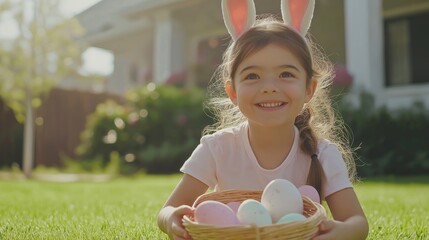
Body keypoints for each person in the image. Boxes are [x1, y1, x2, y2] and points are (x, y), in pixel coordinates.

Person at [157, 0, 368, 239]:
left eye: (286, 74)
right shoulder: (216, 148)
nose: (269, 87)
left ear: (309, 89)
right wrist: (171, 219)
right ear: (233, 92)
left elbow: (357, 223)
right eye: (253, 75)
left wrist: (338, 233)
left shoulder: (323, 153)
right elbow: (167, 210)